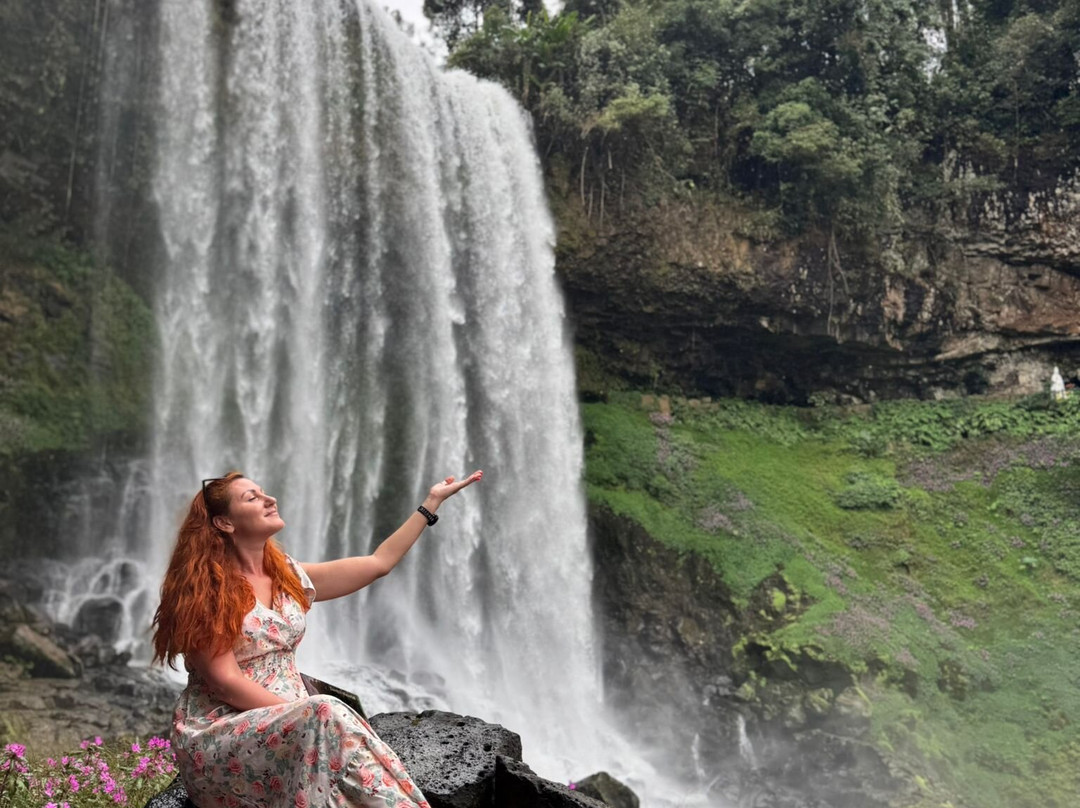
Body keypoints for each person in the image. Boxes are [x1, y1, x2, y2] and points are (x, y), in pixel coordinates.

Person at [151, 469, 483, 808]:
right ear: (225, 523)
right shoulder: (207, 589)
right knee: (329, 714)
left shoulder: (288, 576)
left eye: (264, 491)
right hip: (222, 733)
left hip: (297, 731)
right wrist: (307, 713)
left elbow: (378, 562)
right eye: (252, 497)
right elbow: (225, 680)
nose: (270, 499)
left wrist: (430, 503)